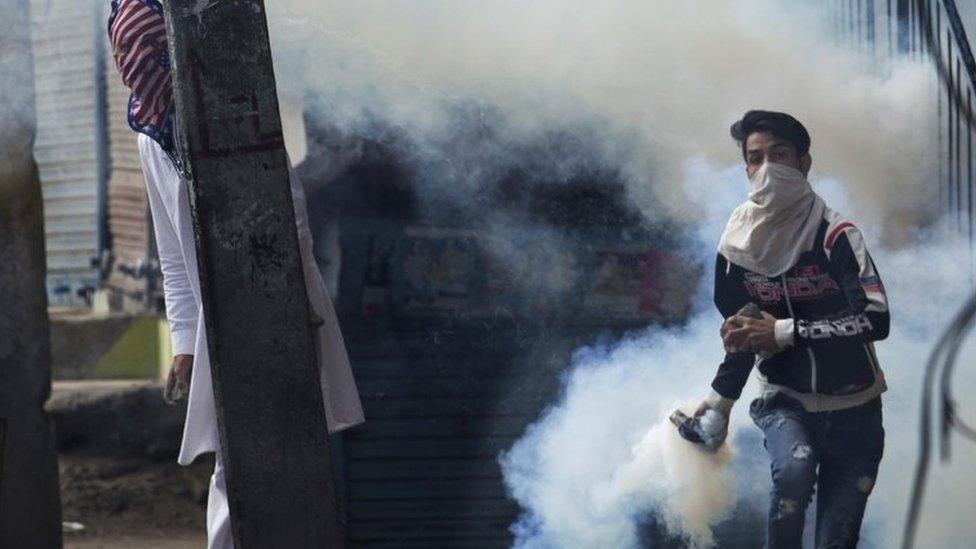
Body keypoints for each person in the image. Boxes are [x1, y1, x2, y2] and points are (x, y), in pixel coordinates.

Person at [107, 1, 365, 547]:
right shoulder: (150, 136)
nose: (129, 60)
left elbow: (285, 210)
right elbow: (173, 257)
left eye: (139, 47)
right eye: (121, 48)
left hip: (271, 308)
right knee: (241, 462)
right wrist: (183, 344)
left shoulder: (226, 105)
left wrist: (294, 300)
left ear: (166, 47)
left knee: (275, 456)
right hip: (216, 326)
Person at [694, 110, 889, 548]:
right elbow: (746, 335)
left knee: (837, 540)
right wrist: (718, 404)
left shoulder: (837, 235)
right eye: (755, 158)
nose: (767, 168)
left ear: (803, 163)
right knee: (794, 473)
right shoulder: (735, 244)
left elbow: (876, 319)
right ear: (745, 167)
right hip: (786, 401)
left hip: (856, 407)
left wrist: (785, 332)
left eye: (779, 155)